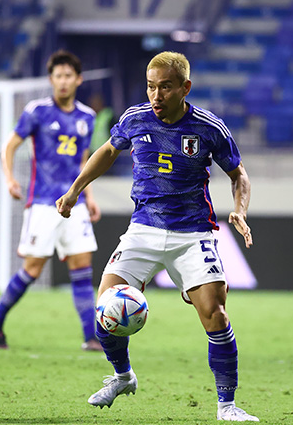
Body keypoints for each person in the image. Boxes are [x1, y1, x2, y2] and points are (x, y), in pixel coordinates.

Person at [56, 51, 258, 422]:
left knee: (215, 315)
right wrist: (74, 192)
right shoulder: (134, 118)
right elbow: (107, 151)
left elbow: (239, 175)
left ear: (185, 87)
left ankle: (227, 406)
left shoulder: (209, 127)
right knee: (106, 309)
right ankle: (123, 377)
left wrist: (239, 210)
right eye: (151, 86)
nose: (156, 95)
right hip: (144, 229)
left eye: (165, 87)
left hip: (193, 234)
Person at [0, 50, 102, 352]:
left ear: (78, 80)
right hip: (43, 202)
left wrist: (89, 196)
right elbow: (9, 146)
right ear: (51, 79)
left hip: (74, 203)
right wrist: (10, 178)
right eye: (58, 76)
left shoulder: (87, 117)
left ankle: (91, 337)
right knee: (32, 269)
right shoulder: (37, 111)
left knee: (82, 267)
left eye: (68, 76)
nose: (63, 81)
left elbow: (84, 161)